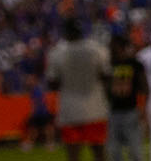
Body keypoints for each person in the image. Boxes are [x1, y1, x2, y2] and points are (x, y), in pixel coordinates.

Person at [46, 19, 112, 161]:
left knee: (73, 154)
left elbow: (52, 83)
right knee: (99, 151)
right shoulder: (96, 49)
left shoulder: (57, 53)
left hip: (70, 108)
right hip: (95, 106)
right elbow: (106, 76)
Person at [103, 31, 147, 161]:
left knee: (135, 151)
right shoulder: (108, 64)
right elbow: (104, 88)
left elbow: (144, 87)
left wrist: (142, 108)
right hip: (113, 111)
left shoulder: (134, 64)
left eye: (113, 46)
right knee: (114, 151)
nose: (111, 49)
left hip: (131, 110)